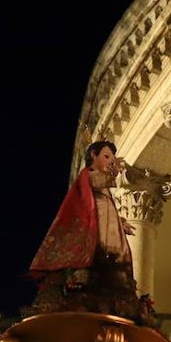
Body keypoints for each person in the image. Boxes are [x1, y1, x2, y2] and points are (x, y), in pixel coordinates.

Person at [26, 139, 152, 324]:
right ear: (94, 155)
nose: (110, 160)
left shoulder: (103, 189)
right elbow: (98, 183)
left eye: (112, 157)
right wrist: (114, 172)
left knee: (119, 255)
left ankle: (122, 291)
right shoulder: (89, 174)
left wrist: (120, 222)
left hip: (110, 226)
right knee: (103, 251)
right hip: (97, 226)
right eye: (106, 156)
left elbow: (108, 205)